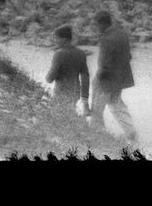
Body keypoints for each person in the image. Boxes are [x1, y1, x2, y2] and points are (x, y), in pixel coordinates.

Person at [87, 9, 139, 148]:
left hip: (107, 79)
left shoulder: (106, 38)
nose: (95, 28)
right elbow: (129, 56)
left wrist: (99, 77)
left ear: (103, 24)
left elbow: (104, 62)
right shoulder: (122, 34)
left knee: (97, 107)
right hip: (120, 77)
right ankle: (131, 132)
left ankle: (97, 136)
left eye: (96, 25)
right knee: (116, 105)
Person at [45, 25, 92, 119]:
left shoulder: (59, 54)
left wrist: (49, 76)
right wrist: (85, 97)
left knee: (59, 117)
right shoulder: (81, 54)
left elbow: (49, 78)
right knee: (69, 114)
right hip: (75, 91)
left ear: (65, 39)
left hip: (61, 90)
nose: (55, 40)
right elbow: (85, 76)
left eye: (57, 38)